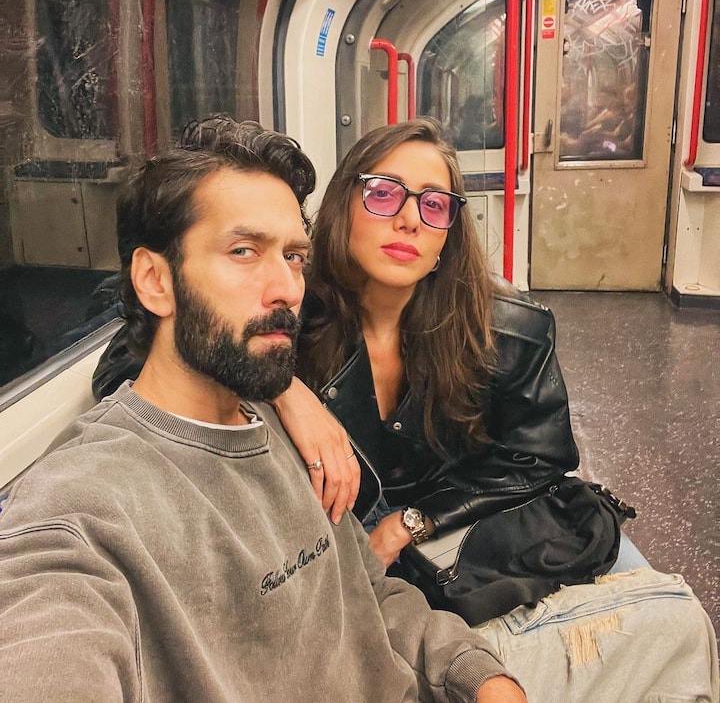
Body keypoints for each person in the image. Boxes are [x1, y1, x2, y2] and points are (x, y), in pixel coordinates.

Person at [92, 117, 719, 701]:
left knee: (677, 626)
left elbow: (540, 457)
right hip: (338, 544)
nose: (410, 220)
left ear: (449, 232)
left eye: (434, 204)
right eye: (385, 194)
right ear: (344, 209)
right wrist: (287, 391)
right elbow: (130, 363)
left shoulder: (509, 329)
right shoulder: (281, 312)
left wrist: (411, 522)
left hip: (447, 525)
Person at [0, 123, 526, 701]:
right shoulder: (75, 515)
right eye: (243, 251)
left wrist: (479, 678)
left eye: (294, 257)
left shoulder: (276, 425)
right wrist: (290, 391)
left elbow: (364, 589)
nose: (286, 288)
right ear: (155, 279)